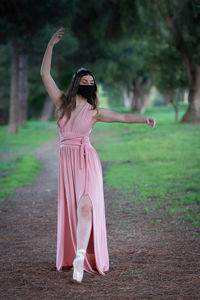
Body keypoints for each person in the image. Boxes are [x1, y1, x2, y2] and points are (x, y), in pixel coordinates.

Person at [40, 27, 156, 283]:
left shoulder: (95, 111)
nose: (89, 84)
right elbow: (44, 73)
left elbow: (123, 117)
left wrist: (142, 119)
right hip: (67, 161)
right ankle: (76, 255)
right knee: (75, 211)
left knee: (85, 208)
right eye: (85, 81)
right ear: (76, 82)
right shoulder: (61, 102)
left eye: (92, 82)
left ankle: (80, 259)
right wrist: (50, 46)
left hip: (87, 161)